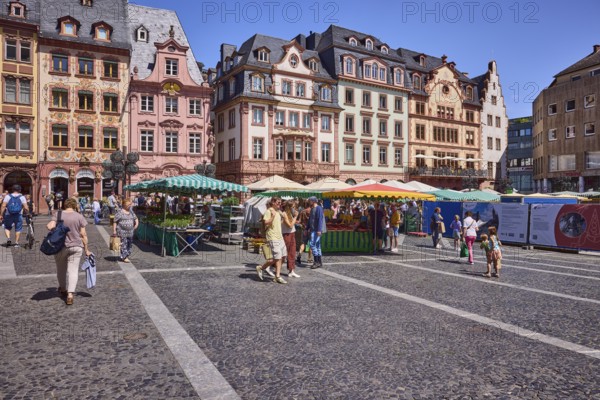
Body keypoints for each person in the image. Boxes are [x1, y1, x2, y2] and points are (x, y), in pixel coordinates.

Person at [46, 197, 91, 305]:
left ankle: (62, 289)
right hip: (76, 247)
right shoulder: (79, 216)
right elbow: (83, 234)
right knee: (73, 270)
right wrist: (86, 249)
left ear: (65, 205)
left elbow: (50, 226)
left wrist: (55, 230)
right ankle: (70, 294)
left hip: (60, 247)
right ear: (75, 205)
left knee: (61, 270)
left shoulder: (58, 214)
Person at [256, 197, 287, 284]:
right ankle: (275, 275)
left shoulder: (277, 211)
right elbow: (266, 222)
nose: (279, 204)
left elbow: (277, 223)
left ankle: (269, 272)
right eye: (278, 202)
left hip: (279, 237)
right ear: (273, 202)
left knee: (283, 256)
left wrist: (283, 218)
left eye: (280, 202)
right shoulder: (269, 211)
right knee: (277, 257)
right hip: (272, 237)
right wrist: (273, 216)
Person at [113, 198, 139, 263]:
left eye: (130, 204)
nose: (130, 205)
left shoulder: (131, 212)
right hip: (122, 232)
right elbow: (115, 221)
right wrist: (114, 231)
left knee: (129, 244)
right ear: (124, 204)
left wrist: (136, 224)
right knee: (124, 244)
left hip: (130, 232)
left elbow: (136, 218)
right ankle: (124, 257)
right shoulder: (120, 212)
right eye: (128, 204)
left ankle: (126, 255)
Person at [281, 200, 300, 278]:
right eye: (293, 207)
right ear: (288, 207)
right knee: (284, 253)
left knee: (292, 252)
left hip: (292, 233)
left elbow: (292, 224)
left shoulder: (290, 214)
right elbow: (290, 225)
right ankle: (271, 266)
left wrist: (295, 218)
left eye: (294, 207)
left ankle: (291, 270)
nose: (294, 208)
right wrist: (295, 217)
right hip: (286, 234)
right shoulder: (284, 214)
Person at [307, 196, 325, 269]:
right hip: (313, 230)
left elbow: (320, 219)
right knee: (317, 246)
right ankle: (319, 262)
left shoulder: (319, 208)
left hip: (316, 230)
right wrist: (307, 228)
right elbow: (310, 220)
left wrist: (319, 230)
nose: (309, 202)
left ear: (313, 201)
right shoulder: (312, 209)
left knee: (312, 244)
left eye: (310, 201)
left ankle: (316, 262)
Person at [296, 199, 313, 266]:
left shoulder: (302, 211)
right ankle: (309, 258)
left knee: (303, 243)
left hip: (304, 230)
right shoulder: (312, 211)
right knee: (311, 244)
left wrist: (295, 221)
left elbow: (299, 221)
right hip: (311, 230)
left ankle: (299, 255)